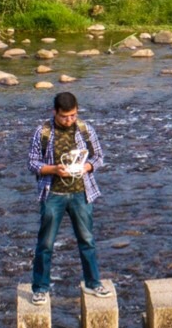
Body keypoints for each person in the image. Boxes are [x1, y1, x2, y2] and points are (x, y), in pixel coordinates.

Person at [28, 91, 111, 305]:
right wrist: (54, 169)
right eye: (65, 116)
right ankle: (40, 288)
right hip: (52, 194)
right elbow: (32, 164)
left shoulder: (85, 129)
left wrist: (88, 166)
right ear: (55, 112)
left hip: (81, 193)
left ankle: (93, 283)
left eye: (73, 115)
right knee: (45, 243)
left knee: (87, 240)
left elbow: (99, 157)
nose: (69, 120)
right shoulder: (43, 132)